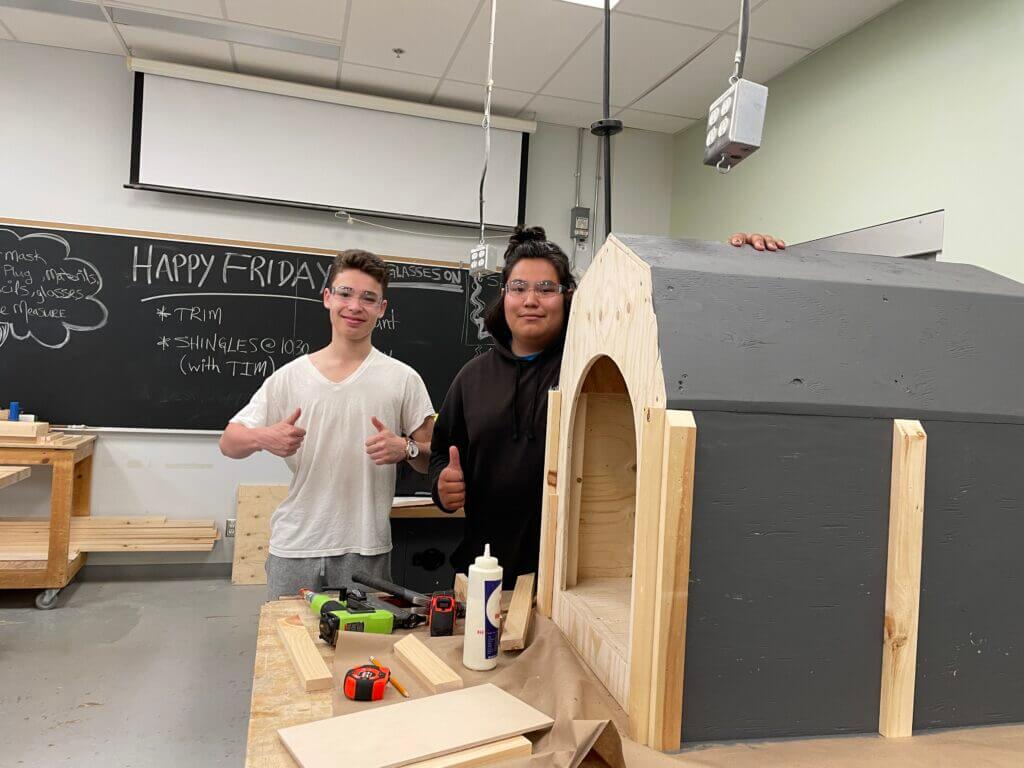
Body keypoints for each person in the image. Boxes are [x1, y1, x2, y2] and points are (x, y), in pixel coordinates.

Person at [430, 227, 785, 585]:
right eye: (519, 288)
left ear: (568, 296)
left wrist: (734, 266)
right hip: (483, 576)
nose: (531, 300)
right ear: (504, 295)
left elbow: (688, 330)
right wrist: (442, 488)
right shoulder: (471, 379)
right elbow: (441, 455)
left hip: (576, 584)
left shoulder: (596, 369)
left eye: (546, 288)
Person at [220, 249, 435, 600]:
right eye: (345, 293)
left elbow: (431, 457)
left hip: (365, 547)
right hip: (295, 545)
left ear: (381, 309)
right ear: (327, 298)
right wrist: (263, 437)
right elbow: (229, 443)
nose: (355, 306)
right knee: (288, 648)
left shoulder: (403, 380)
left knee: (360, 652)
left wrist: (406, 448)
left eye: (368, 298)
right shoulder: (290, 377)